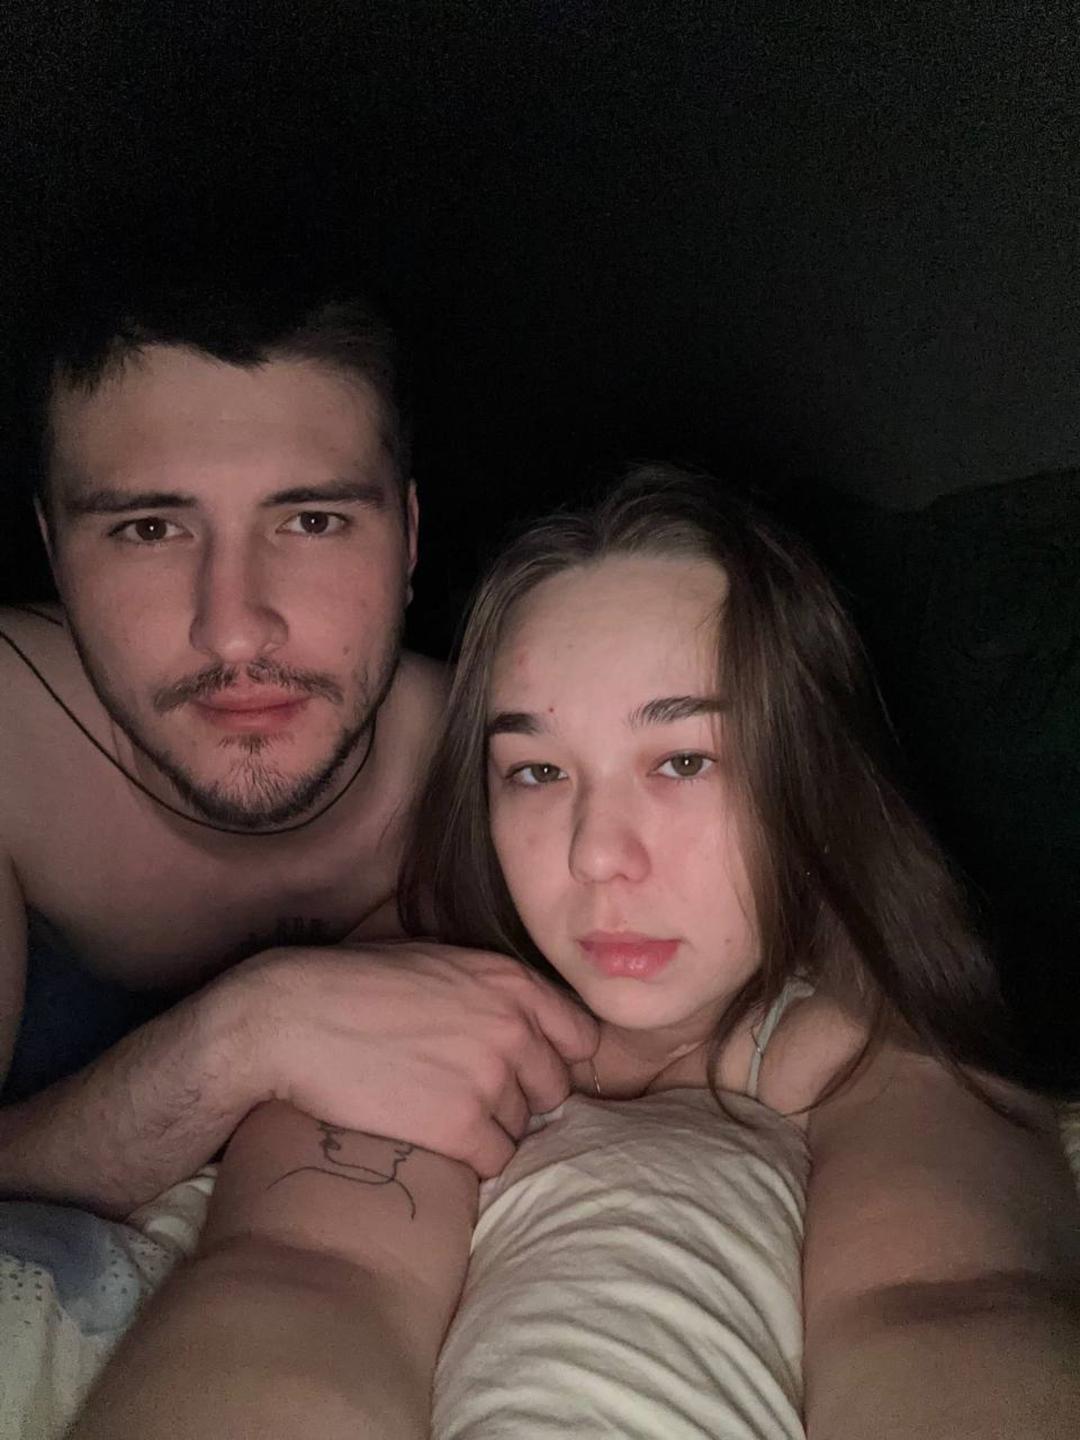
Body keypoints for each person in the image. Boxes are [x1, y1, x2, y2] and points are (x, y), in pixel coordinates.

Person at [69, 466, 1080, 1440]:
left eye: (683, 760)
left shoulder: (882, 1035)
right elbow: (301, 1290)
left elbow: (948, 1306)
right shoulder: (405, 992)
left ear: (813, 773)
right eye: (538, 771)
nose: (595, 853)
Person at [0, 285, 596, 1217]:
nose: (236, 631)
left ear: (408, 538)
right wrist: (244, 1035)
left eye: (312, 520)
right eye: (149, 529)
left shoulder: (516, 768)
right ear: (53, 548)